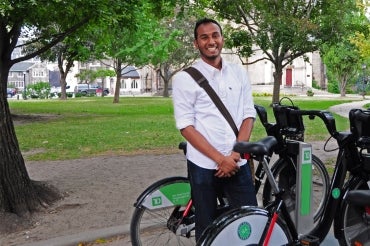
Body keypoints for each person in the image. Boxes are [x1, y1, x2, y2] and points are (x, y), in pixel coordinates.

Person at [172, 18, 258, 241]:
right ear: (196, 43)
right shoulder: (184, 78)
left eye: (215, 35)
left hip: (237, 162)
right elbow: (186, 126)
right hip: (204, 165)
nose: (211, 41)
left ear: (222, 39)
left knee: (248, 223)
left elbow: (248, 114)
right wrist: (220, 159)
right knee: (207, 227)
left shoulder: (238, 72)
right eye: (204, 37)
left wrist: (235, 155)